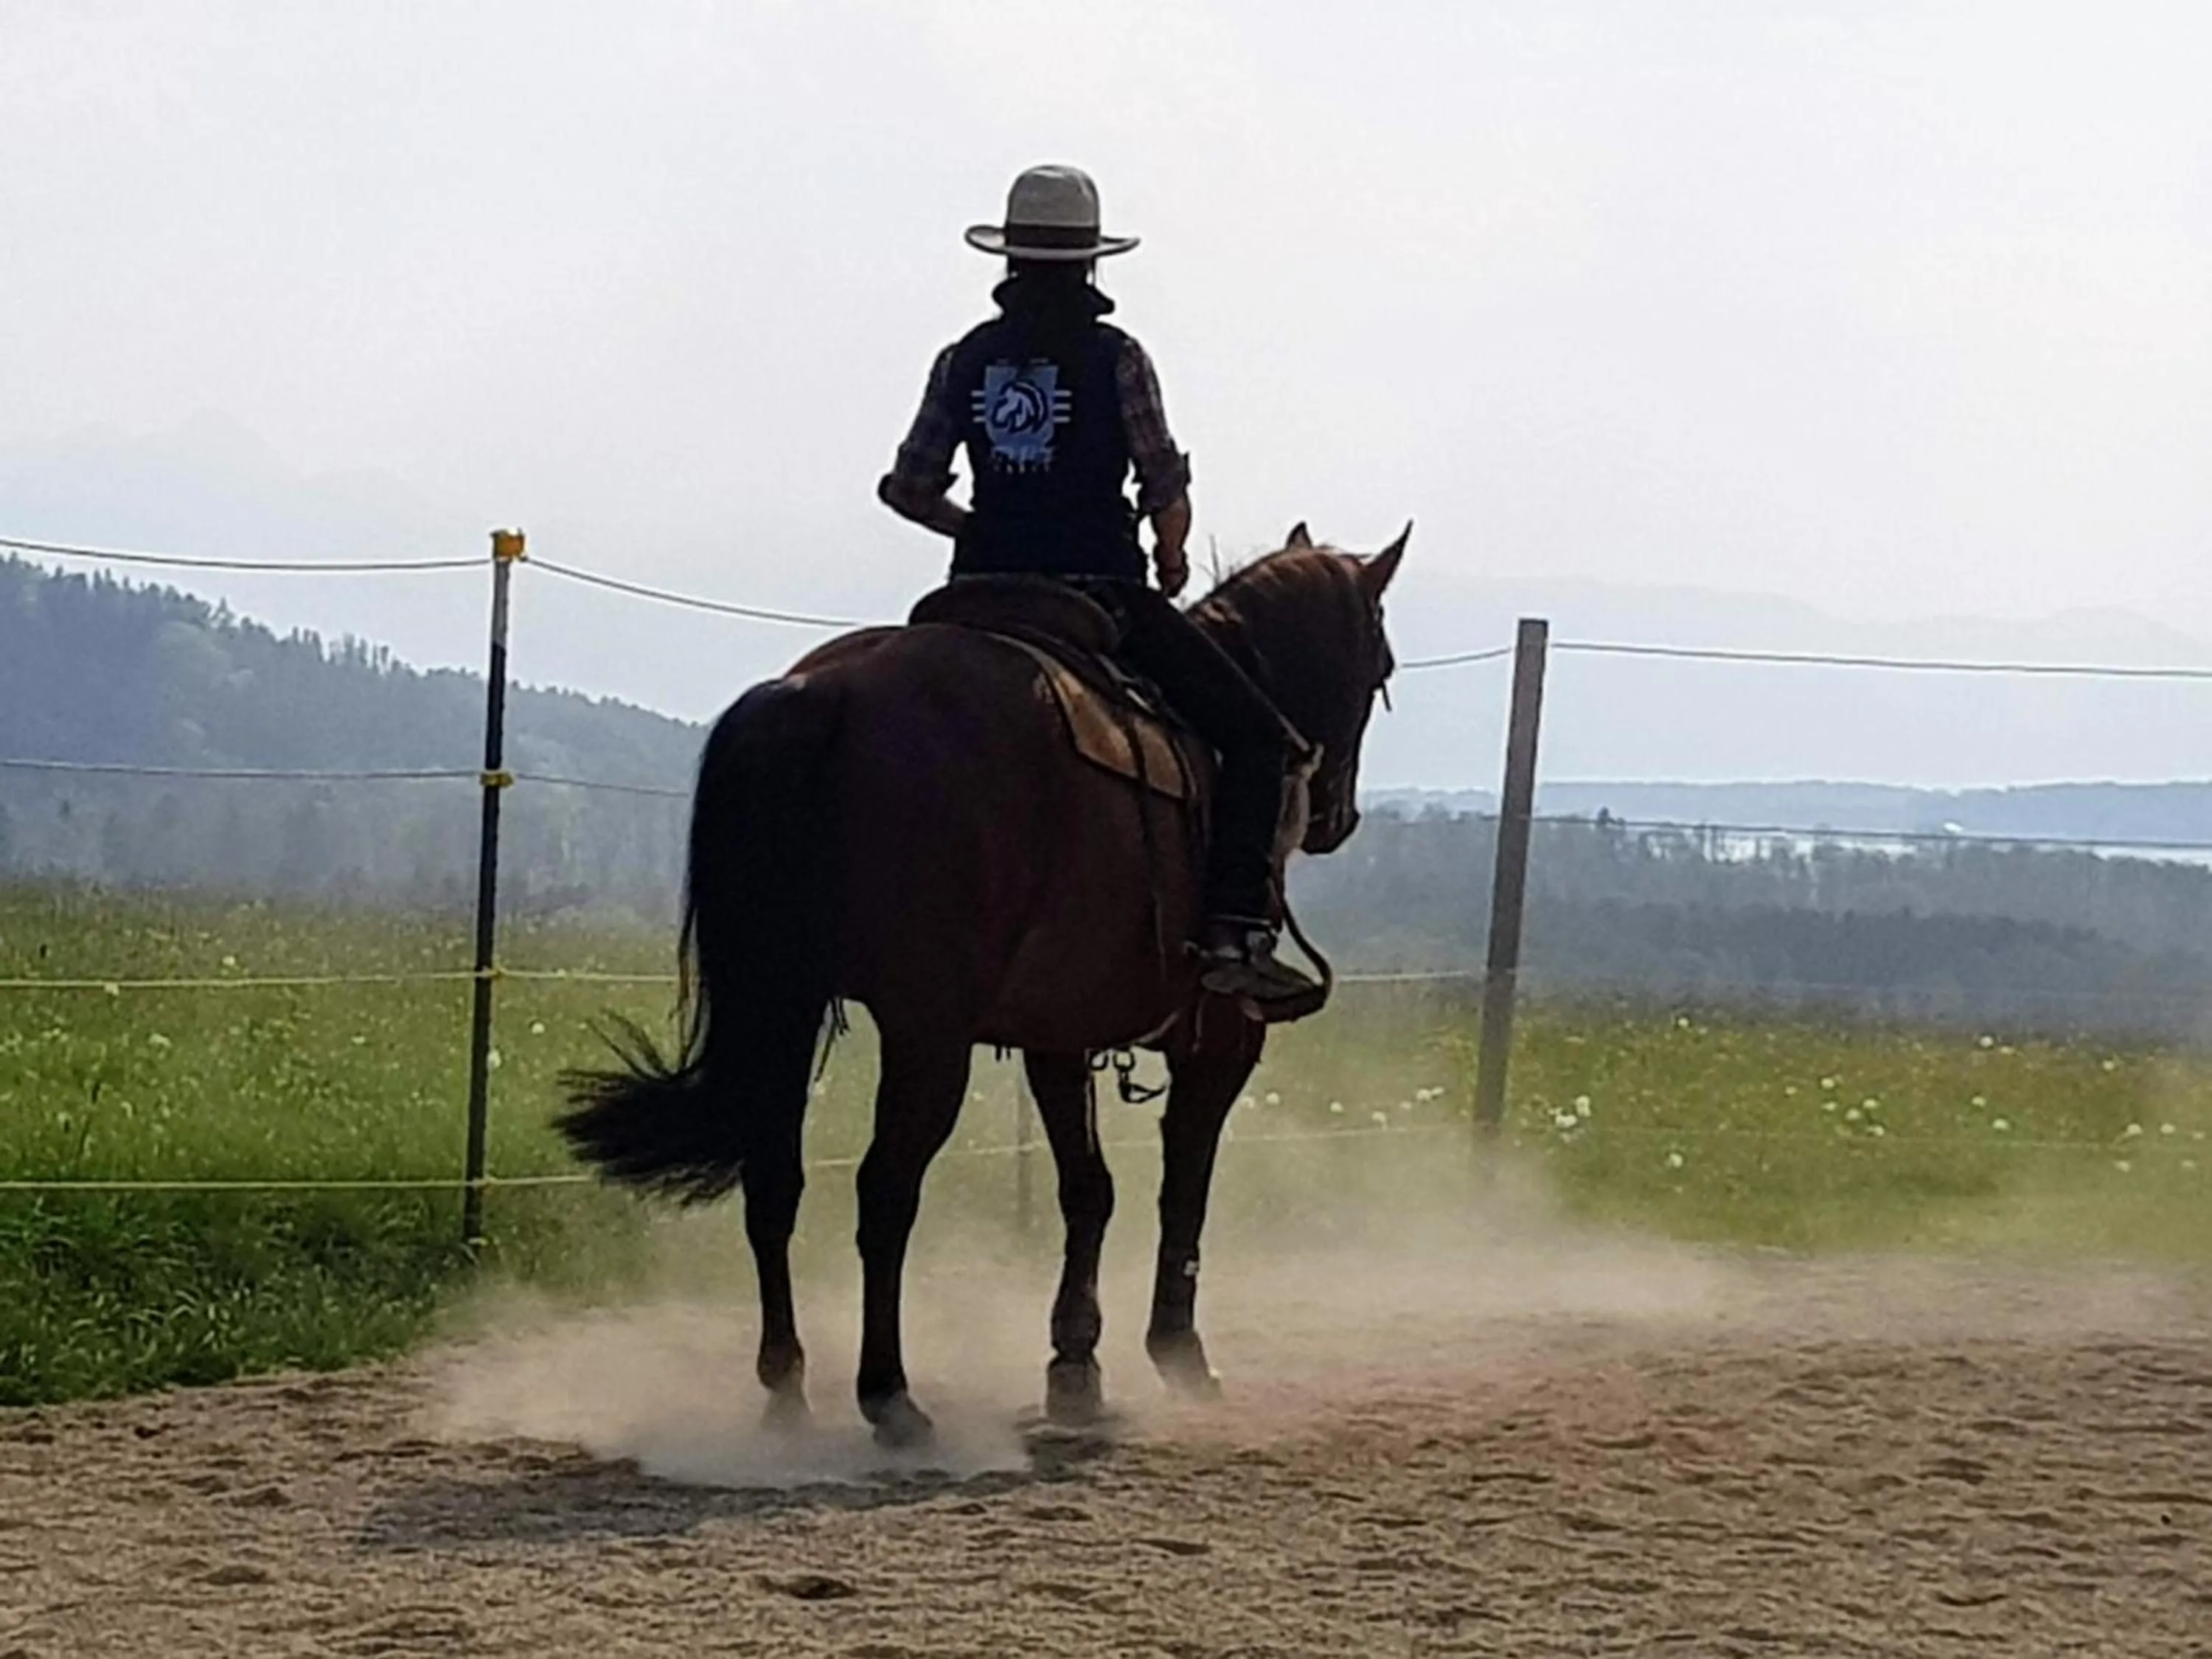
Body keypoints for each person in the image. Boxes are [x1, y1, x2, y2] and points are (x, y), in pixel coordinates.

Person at [877, 162, 1321, 1016]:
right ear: (1090, 262)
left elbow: (908, 488)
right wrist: (1171, 556)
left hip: (978, 591)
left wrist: (976, 529)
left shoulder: (964, 360)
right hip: (1098, 592)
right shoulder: (1118, 359)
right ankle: (1234, 933)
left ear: (1009, 259)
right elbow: (1163, 485)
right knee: (1258, 740)